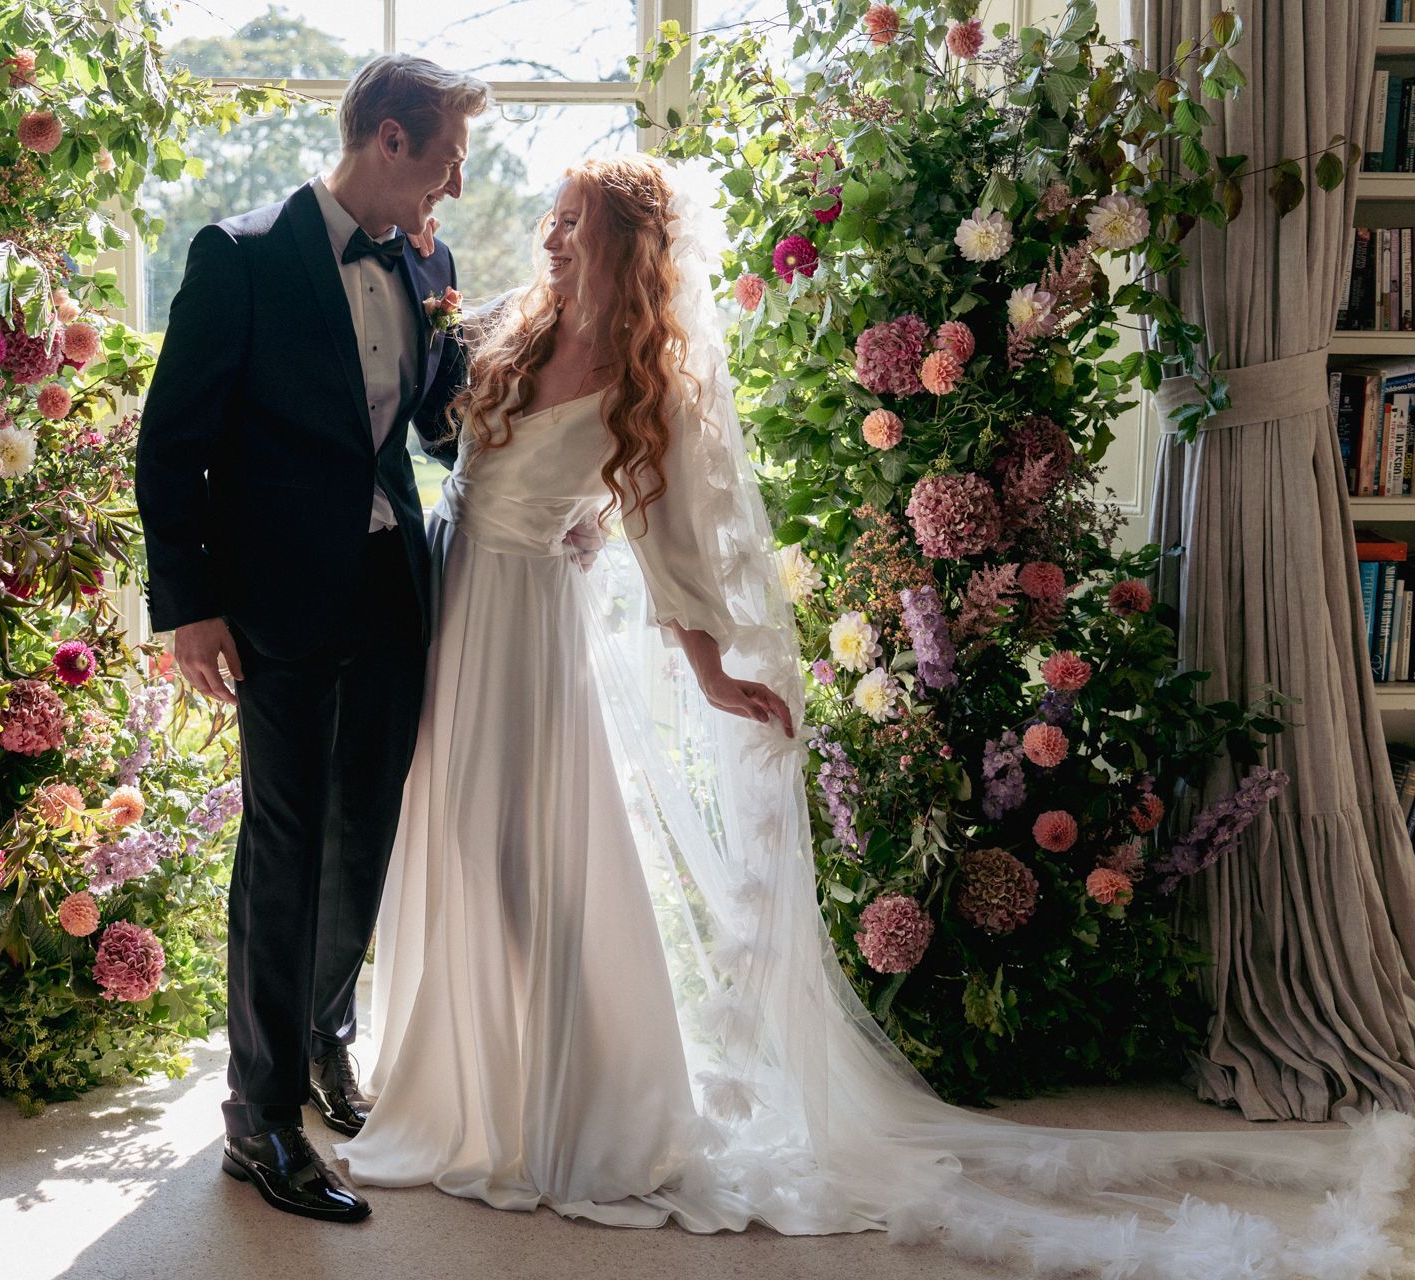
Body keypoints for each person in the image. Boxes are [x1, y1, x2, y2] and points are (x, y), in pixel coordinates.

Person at [340, 153, 1415, 1274]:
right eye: (552, 221)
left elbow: (666, 538)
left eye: (574, 225)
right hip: (453, 606)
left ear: (625, 247)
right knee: (456, 840)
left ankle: (583, 1100)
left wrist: (710, 670)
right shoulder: (517, 329)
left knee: (531, 859)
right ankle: (467, 1075)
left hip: (525, 637)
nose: (553, 240)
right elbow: (466, 465)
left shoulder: (638, 374)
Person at [134, 53, 488, 1224]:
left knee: (365, 832)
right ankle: (261, 1115)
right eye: (444, 160)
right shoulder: (239, 257)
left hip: (393, 584)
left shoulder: (427, 260)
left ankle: (328, 1035)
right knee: (283, 847)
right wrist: (188, 605)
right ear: (389, 141)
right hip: (276, 601)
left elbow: (435, 422)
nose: (451, 185)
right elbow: (171, 440)